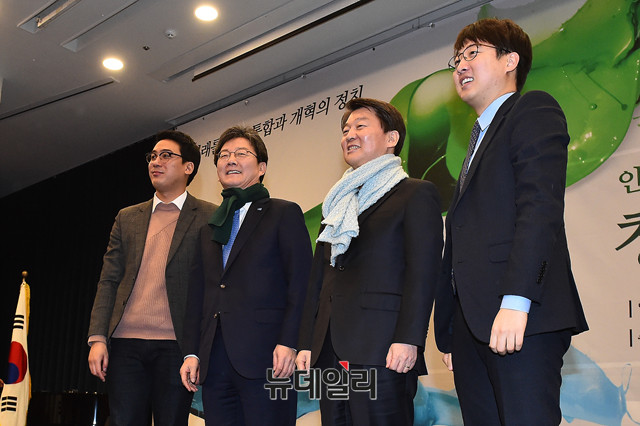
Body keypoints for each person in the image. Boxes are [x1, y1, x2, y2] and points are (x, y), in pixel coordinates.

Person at [433, 18, 589, 425]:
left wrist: (517, 302)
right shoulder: (475, 141)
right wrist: (452, 330)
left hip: (519, 314)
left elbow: (540, 208)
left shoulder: (532, 109)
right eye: (457, 58)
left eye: (473, 53)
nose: (460, 65)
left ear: (510, 61)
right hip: (471, 327)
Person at [296, 98, 443, 425]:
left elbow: (423, 273)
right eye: (345, 129)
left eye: (360, 126)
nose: (349, 134)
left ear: (392, 138)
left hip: (382, 348)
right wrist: (307, 342)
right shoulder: (337, 205)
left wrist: (409, 338)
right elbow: (318, 280)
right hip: (330, 349)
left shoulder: (414, 194)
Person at [180, 126, 312, 426]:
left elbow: (301, 284)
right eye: (224, 155)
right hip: (215, 362)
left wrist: (290, 342)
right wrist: (192, 353)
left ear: (262, 167)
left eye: (241, 153)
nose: (231, 160)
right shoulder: (209, 228)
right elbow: (198, 296)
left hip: (270, 357)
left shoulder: (283, 213)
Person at [87, 130, 216, 426]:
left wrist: (198, 350)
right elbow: (109, 280)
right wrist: (98, 338)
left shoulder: (209, 216)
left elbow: (212, 286)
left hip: (176, 346)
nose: (156, 162)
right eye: (153, 156)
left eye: (166, 156)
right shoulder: (127, 217)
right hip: (125, 343)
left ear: (189, 167)